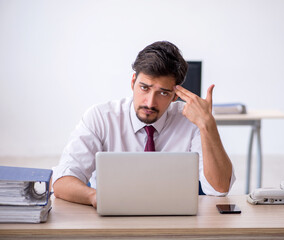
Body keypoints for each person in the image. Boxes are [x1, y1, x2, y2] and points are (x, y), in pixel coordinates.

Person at [52, 41, 235, 208]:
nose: (150, 103)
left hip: (175, 219)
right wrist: (95, 197)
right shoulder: (100, 117)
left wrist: (207, 126)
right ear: (133, 82)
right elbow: (62, 182)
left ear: (175, 95)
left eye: (163, 93)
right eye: (144, 88)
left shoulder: (191, 120)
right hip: (113, 217)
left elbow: (219, 189)